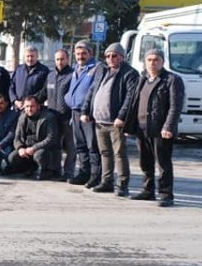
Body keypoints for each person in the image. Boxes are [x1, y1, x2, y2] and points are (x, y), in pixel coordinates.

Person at [126, 49, 185, 207]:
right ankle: (148, 190)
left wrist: (169, 127)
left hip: (161, 130)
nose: (152, 63)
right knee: (145, 162)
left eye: (156, 60)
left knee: (163, 163)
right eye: (149, 60)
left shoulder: (172, 80)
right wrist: (130, 124)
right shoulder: (143, 78)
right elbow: (134, 103)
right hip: (142, 128)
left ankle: (166, 194)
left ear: (162, 62)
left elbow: (175, 106)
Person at [81, 42, 139, 196]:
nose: (111, 58)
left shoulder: (129, 73)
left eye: (114, 55)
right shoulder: (102, 70)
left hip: (115, 122)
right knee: (105, 153)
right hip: (99, 121)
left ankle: (122, 184)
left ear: (122, 57)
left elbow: (130, 98)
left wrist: (121, 116)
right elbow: (92, 91)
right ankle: (107, 182)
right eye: (108, 56)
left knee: (119, 153)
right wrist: (85, 110)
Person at [65, 40, 100, 187]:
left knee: (92, 146)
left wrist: (86, 110)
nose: (80, 56)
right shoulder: (76, 69)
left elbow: (93, 91)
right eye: (78, 54)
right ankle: (83, 173)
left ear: (90, 54)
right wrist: (67, 98)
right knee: (80, 145)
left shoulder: (96, 68)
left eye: (84, 53)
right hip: (75, 111)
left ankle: (95, 176)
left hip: (87, 114)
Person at [7, 95, 60, 180]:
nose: (29, 109)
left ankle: (47, 171)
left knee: (39, 155)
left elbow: (51, 138)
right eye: (27, 106)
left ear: (38, 106)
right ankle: (28, 168)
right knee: (12, 158)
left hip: (44, 149)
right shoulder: (22, 117)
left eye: (32, 106)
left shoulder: (49, 117)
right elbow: (17, 137)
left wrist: (34, 148)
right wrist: (20, 148)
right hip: (27, 149)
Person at [46, 49, 75, 180]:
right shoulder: (50, 75)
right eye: (57, 59)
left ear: (67, 59)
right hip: (52, 116)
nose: (60, 62)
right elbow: (43, 93)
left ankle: (68, 172)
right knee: (54, 145)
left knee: (70, 146)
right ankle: (55, 170)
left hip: (67, 116)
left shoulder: (73, 75)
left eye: (62, 59)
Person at [9, 45, 49, 110]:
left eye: (32, 56)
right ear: (24, 57)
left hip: (34, 109)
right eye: (28, 56)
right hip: (18, 107)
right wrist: (15, 101)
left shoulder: (44, 70)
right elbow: (11, 87)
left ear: (37, 56)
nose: (30, 59)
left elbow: (45, 90)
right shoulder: (19, 69)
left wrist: (29, 102)